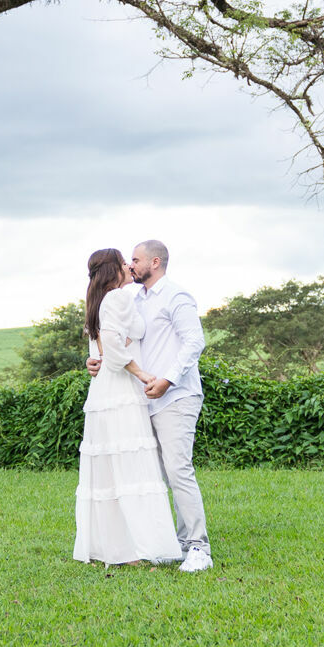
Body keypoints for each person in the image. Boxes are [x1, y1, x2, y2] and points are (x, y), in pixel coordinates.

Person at [87, 239, 213, 573]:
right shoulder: (133, 298)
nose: (130, 265)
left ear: (154, 262)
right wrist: (96, 358)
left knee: (178, 469)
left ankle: (198, 548)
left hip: (176, 395)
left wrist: (168, 380)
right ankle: (170, 541)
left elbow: (194, 342)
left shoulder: (176, 296)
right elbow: (115, 335)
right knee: (156, 475)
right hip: (142, 398)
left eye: (136, 259)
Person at [73, 248, 183, 568]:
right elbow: (115, 351)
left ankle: (112, 547)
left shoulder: (98, 301)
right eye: (124, 261)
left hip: (102, 391)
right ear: (113, 270)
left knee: (110, 469)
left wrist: (99, 360)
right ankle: (133, 549)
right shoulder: (117, 298)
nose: (128, 265)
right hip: (120, 389)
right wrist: (144, 374)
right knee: (131, 465)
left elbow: (101, 349)